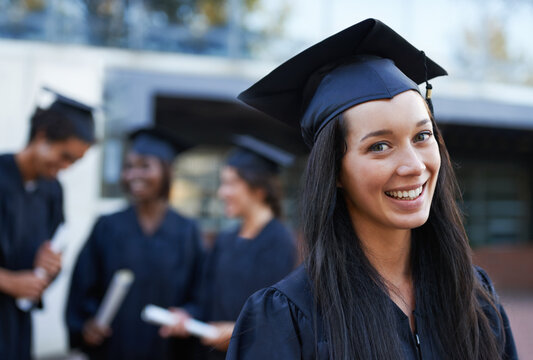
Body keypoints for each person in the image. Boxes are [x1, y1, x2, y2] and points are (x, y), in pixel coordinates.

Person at [226, 19, 518, 360]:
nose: (413, 165)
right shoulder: (286, 319)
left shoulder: (475, 297)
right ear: (334, 170)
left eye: (421, 136)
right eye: (380, 146)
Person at [65, 127, 205, 360]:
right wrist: (87, 324)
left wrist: (188, 314)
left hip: (167, 350)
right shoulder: (107, 226)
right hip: (113, 349)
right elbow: (82, 286)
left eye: (144, 166)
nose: (133, 175)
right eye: (128, 167)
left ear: (166, 171)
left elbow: (201, 291)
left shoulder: (186, 230)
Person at [160, 135, 297, 360]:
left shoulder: (280, 242)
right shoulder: (225, 239)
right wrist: (187, 316)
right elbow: (205, 299)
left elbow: (279, 318)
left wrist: (237, 332)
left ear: (259, 189)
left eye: (231, 184)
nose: (221, 193)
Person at [0, 88, 95, 360]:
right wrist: (8, 281)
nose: (66, 167)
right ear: (42, 136)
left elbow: (52, 248)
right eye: (65, 156)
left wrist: (49, 268)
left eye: (75, 161)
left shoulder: (52, 191)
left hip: (17, 324)